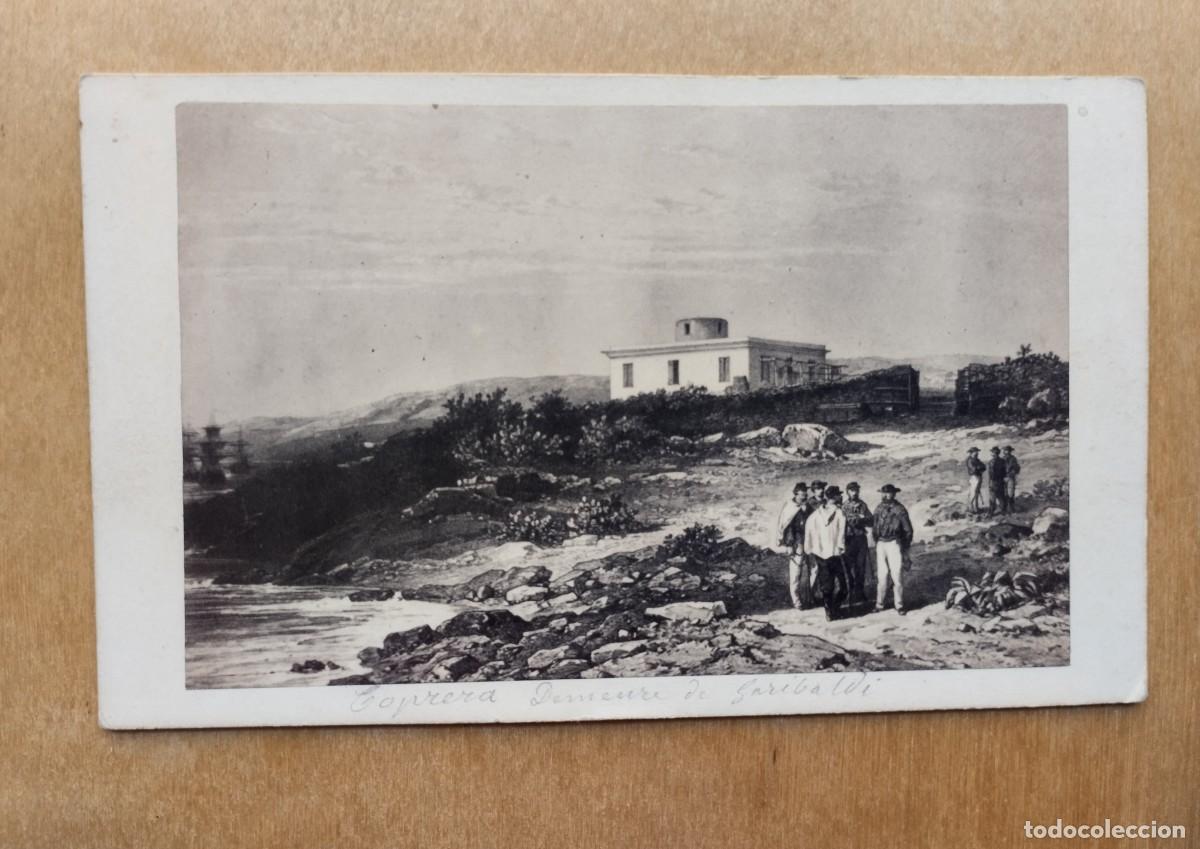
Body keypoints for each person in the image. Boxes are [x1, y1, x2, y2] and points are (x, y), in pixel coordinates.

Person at [804, 485, 847, 620]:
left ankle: (829, 611)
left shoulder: (815, 515)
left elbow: (808, 533)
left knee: (826, 584)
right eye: (839, 495)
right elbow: (841, 534)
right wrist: (841, 547)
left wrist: (809, 549)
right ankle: (834, 610)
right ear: (834, 497)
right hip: (834, 553)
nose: (841, 496)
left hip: (820, 554)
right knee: (842, 585)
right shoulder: (840, 513)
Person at [872, 484, 914, 615]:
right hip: (881, 544)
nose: (885, 495)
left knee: (897, 576)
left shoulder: (900, 510)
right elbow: (874, 528)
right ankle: (879, 604)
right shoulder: (878, 508)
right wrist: (878, 541)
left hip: (894, 544)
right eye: (883, 493)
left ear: (894, 494)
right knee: (882, 576)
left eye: (888, 493)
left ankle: (899, 605)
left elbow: (908, 531)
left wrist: (903, 548)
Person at [776, 482, 813, 609]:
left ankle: (810, 598)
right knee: (796, 573)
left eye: (805, 494)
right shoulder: (790, 507)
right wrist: (789, 544)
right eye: (802, 494)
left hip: (809, 542)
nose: (804, 496)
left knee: (814, 569)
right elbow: (786, 527)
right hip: (796, 543)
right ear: (796, 494)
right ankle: (797, 601)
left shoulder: (808, 507)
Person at [840, 481, 874, 605]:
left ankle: (859, 593)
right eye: (852, 490)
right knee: (849, 569)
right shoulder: (843, 506)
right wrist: (857, 520)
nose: (854, 493)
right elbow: (843, 522)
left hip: (860, 540)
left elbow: (871, 520)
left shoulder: (863, 505)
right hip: (848, 540)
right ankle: (850, 593)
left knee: (861, 567)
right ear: (847, 492)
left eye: (856, 490)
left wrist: (862, 519)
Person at [987, 446, 1008, 516]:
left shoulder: (991, 462)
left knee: (994, 497)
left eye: (993, 452)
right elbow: (1004, 472)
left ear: (995, 453)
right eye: (992, 452)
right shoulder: (1002, 461)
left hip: (995, 481)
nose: (992, 453)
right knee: (1000, 496)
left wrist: (990, 482)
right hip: (999, 481)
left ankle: (992, 512)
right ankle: (1002, 511)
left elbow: (991, 474)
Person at [966, 447, 986, 514]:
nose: (977, 453)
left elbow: (984, 467)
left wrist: (979, 467)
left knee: (977, 493)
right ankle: (971, 508)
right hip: (974, 477)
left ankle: (976, 508)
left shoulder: (977, 460)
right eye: (976, 451)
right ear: (972, 453)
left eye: (977, 451)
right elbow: (974, 469)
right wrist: (979, 467)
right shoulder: (969, 460)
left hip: (978, 476)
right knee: (973, 493)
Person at [1002, 446, 1020, 511]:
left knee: (1011, 493)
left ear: (1010, 451)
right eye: (1005, 450)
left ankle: (1011, 508)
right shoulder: (1002, 459)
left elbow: (1017, 468)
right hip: (1003, 478)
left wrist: (1010, 474)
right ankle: (1005, 508)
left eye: (1007, 450)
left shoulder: (1013, 459)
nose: (1005, 451)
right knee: (1004, 493)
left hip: (1010, 478)